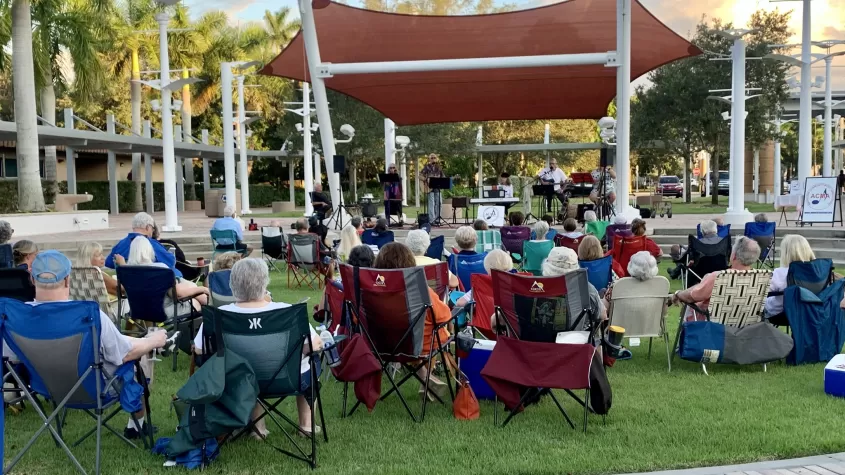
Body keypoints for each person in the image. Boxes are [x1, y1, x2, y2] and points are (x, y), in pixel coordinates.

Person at [26, 250, 167, 439]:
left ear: (32, 279)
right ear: (68, 280)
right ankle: (136, 426)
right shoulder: (89, 316)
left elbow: (10, 357)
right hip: (94, 388)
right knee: (141, 355)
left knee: (131, 343)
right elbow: (124, 354)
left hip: (46, 387)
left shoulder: (16, 317)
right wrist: (153, 341)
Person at [194, 258, 323, 439]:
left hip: (235, 383)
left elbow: (200, 351)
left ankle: (258, 429)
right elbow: (316, 343)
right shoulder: (286, 312)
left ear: (233, 285)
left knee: (248, 367)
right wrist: (297, 351)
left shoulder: (219, 316)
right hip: (288, 379)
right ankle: (306, 426)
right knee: (312, 360)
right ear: (265, 283)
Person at [372, 243, 451, 399]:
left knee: (412, 332)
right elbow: (444, 316)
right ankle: (425, 377)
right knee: (428, 331)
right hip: (417, 346)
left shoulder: (370, 290)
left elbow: (357, 317)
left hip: (379, 344)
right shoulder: (420, 290)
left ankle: (424, 377)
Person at [671, 236, 760, 320]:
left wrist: (678, 294)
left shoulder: (719, 277)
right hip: (746, 326)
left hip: (714, 327)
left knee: (690, 308)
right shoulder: (760, 277)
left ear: (734, 256)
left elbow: (691, 296)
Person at [126, 236, 209, 313]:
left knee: (193, 292)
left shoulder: (126, 272)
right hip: (164, 310)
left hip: (140, 310)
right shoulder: (159, 269)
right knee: (196, 302)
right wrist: (202, 289)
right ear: (149, 250)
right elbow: (177, 294)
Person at [106, 212, 182, 278]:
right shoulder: (151, 244)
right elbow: (170, 262)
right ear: (148, 227)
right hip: (152, 282)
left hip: (128, 284)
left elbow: (109, 263)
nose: (152, 231)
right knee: (178, 273)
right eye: (152, 228)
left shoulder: (120, 245)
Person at [541, 247, 606, 321]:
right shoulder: (587, 289)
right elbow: (602, 316)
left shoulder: (535, 288)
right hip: (576, 332)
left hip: (539, 332)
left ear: (547, 266)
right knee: (603, 295)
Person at [765, 234, 815, 320]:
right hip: (810, 311)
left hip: (781, 312)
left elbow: (764, 291)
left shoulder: (779, 273)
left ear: (786, 253)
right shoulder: (816, 272)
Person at [421, 154, 445, 221]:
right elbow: (420, 176)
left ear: (436, 159)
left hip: (437, 188)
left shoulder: (439, 167)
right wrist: (426, 179)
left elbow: (443, 177)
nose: (433, 159)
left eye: (434, 158)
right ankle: (431, 219)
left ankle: (437, 219)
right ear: (429, 159)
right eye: (432, 158)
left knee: (439, 203)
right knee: (431, 204)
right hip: (429, 188)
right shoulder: (426, 167)